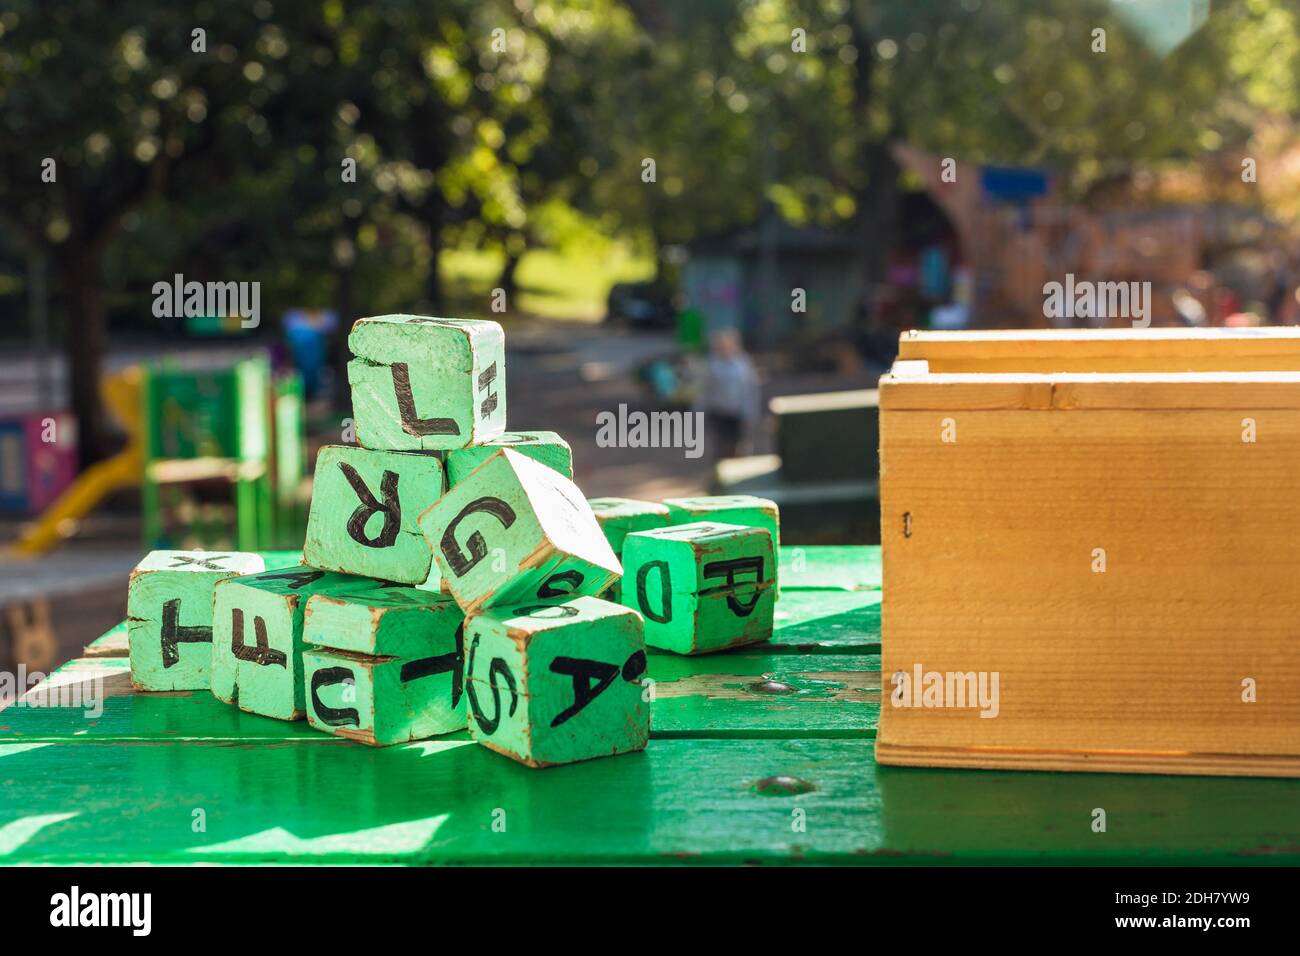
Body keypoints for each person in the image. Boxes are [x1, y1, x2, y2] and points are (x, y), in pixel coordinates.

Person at [699, 328, 761, 460]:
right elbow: (705, 391)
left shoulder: (742, 365)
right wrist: (700, 410)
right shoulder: (712, 365)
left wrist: (751, 412)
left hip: (737, 412)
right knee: (721, 446)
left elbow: (749, 390)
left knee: (738, 446)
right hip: (719, 412)